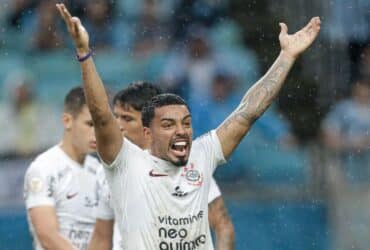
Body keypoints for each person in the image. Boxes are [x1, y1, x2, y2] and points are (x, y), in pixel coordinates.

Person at [56, 3, 320, 248]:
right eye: (168, 124)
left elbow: (247, 112)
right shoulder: (125, 163)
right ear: (148, 132)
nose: (181, 131)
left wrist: (286, 57)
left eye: (186, 123)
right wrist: (84, 53)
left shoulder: (201, 156)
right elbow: (102, 116)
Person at [88, 82, 235, 250]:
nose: (119, 126)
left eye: (127, 118)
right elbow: (101, 236)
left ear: (149, 125)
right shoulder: (107, 170)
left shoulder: (189, 166)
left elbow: (223, 226)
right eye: (116, 117)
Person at [24, 87, 102, 250]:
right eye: (89, 124)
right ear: (67, 121)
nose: (97, 133)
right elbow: (48, 237)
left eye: (100, 125)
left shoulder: (99, 170)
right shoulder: (44, 168)